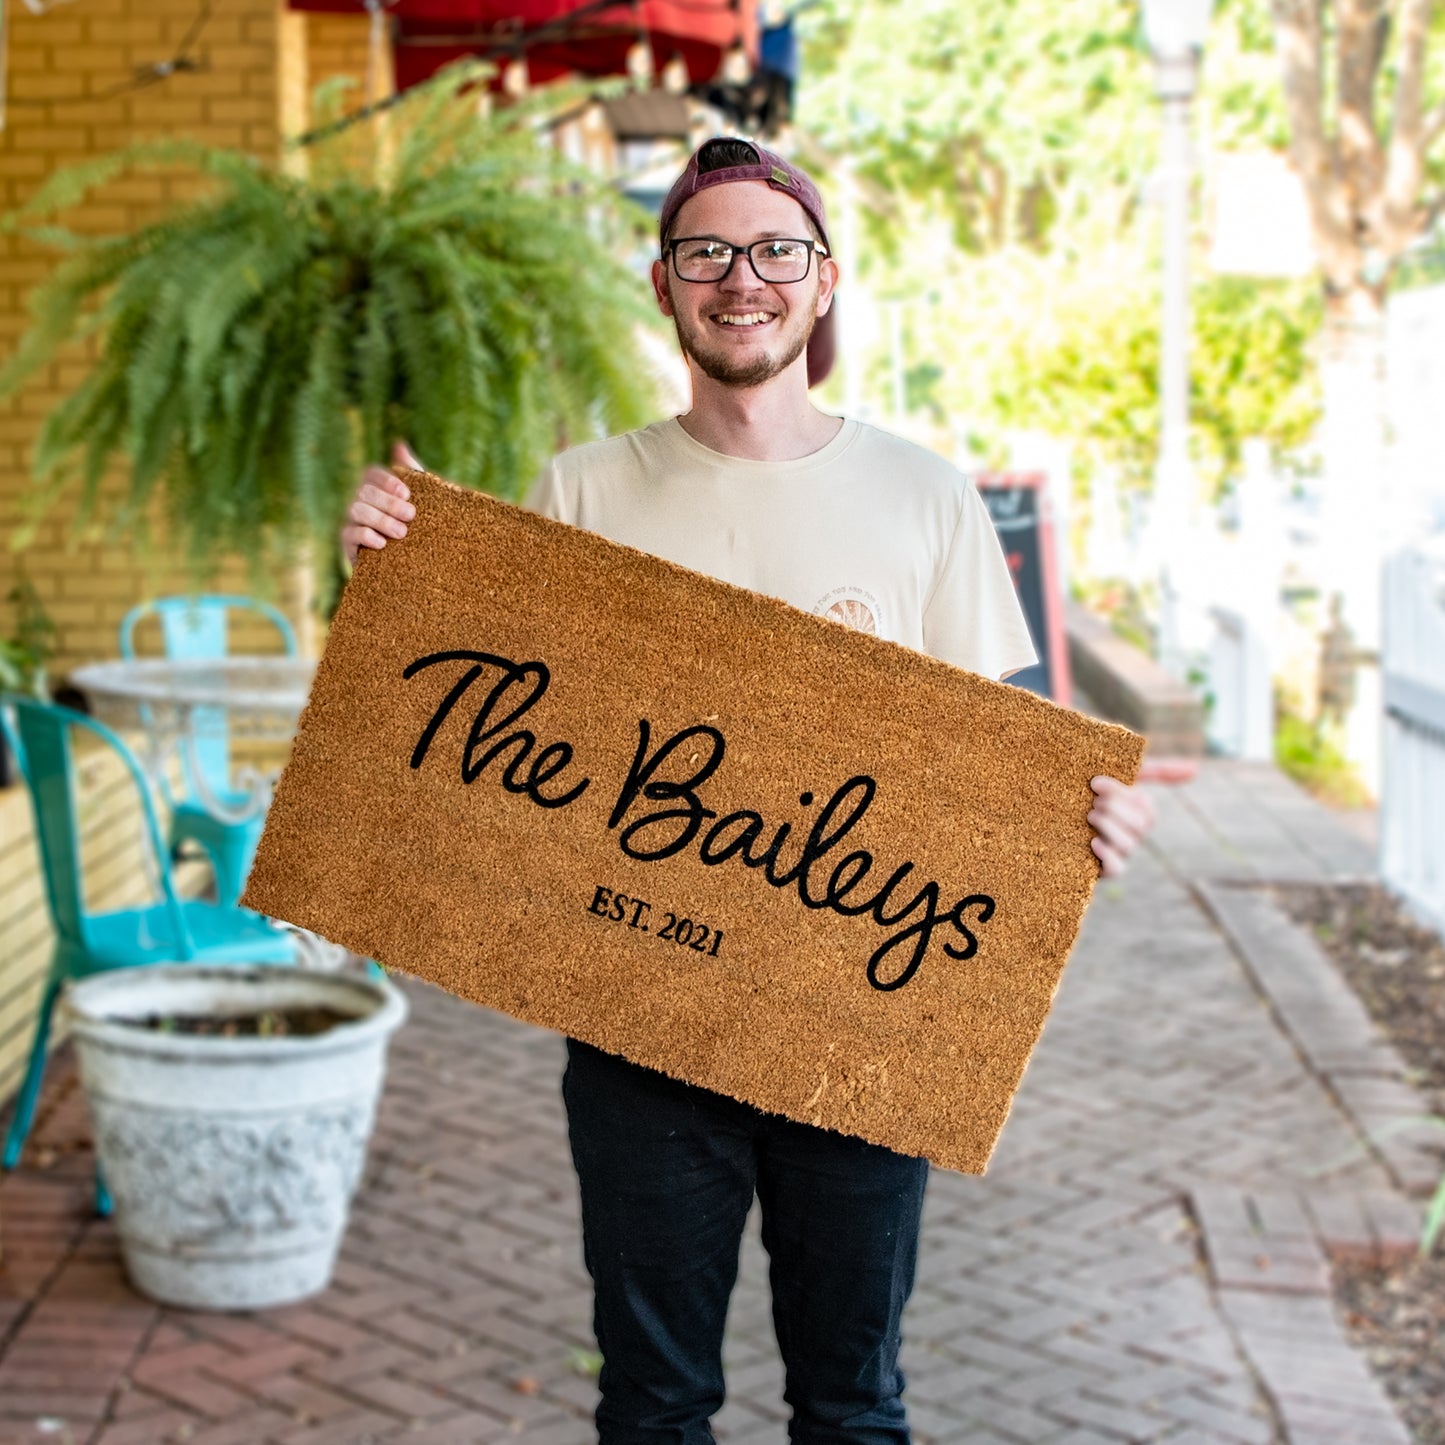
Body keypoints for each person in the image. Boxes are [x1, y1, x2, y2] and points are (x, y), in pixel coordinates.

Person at [342, 136, 1169, 1444]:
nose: (743, 277)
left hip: (861, 1018)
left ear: (824, 281)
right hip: (637, 1017)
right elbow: (478, 718)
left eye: (775, 250)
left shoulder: (924, 496)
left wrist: (1088, 818)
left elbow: (1003, 755)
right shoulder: (581, 488)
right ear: (663, 286)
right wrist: (390, 572)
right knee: (654, 1400)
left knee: (851, 1404)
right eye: (706, 252)